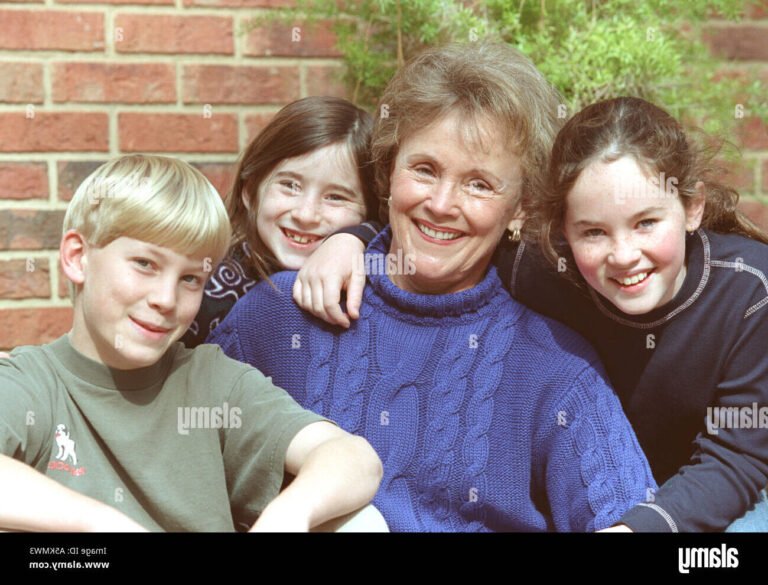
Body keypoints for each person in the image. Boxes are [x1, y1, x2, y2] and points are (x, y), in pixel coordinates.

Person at [207, 43, 657, 532]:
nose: (441, 204)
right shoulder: (280, 314)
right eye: (424, 170)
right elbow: (177, 459)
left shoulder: (557, 369)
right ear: (389, 172)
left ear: (522, 207)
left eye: (479, 184)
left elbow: (630, 517)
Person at [299, 96, 768, 532]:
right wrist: (353, 240)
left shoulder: (750, 292)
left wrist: (637, 528)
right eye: (594, 232)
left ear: (692, 208)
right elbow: (442, 233)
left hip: (724, 494)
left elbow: (738, 459)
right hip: (610, 493)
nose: (624, 255)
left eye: (646, 223)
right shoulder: (543, 270)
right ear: (561, 231)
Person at [0, 155, 383, 532]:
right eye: (145, 264)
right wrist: (99, 522)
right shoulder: (31, 383)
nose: (166, 299)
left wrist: (291, 513)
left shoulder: (211, 382)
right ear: (77, 257)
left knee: (362, 523)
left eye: (190, 279)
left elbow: (354, 458)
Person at [181, 96, 378, 347]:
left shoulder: (379, 271)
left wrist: (355, 238)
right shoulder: (205, 290)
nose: (305, 215)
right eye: (290, 185)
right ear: (250, 191)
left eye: (336, 197)